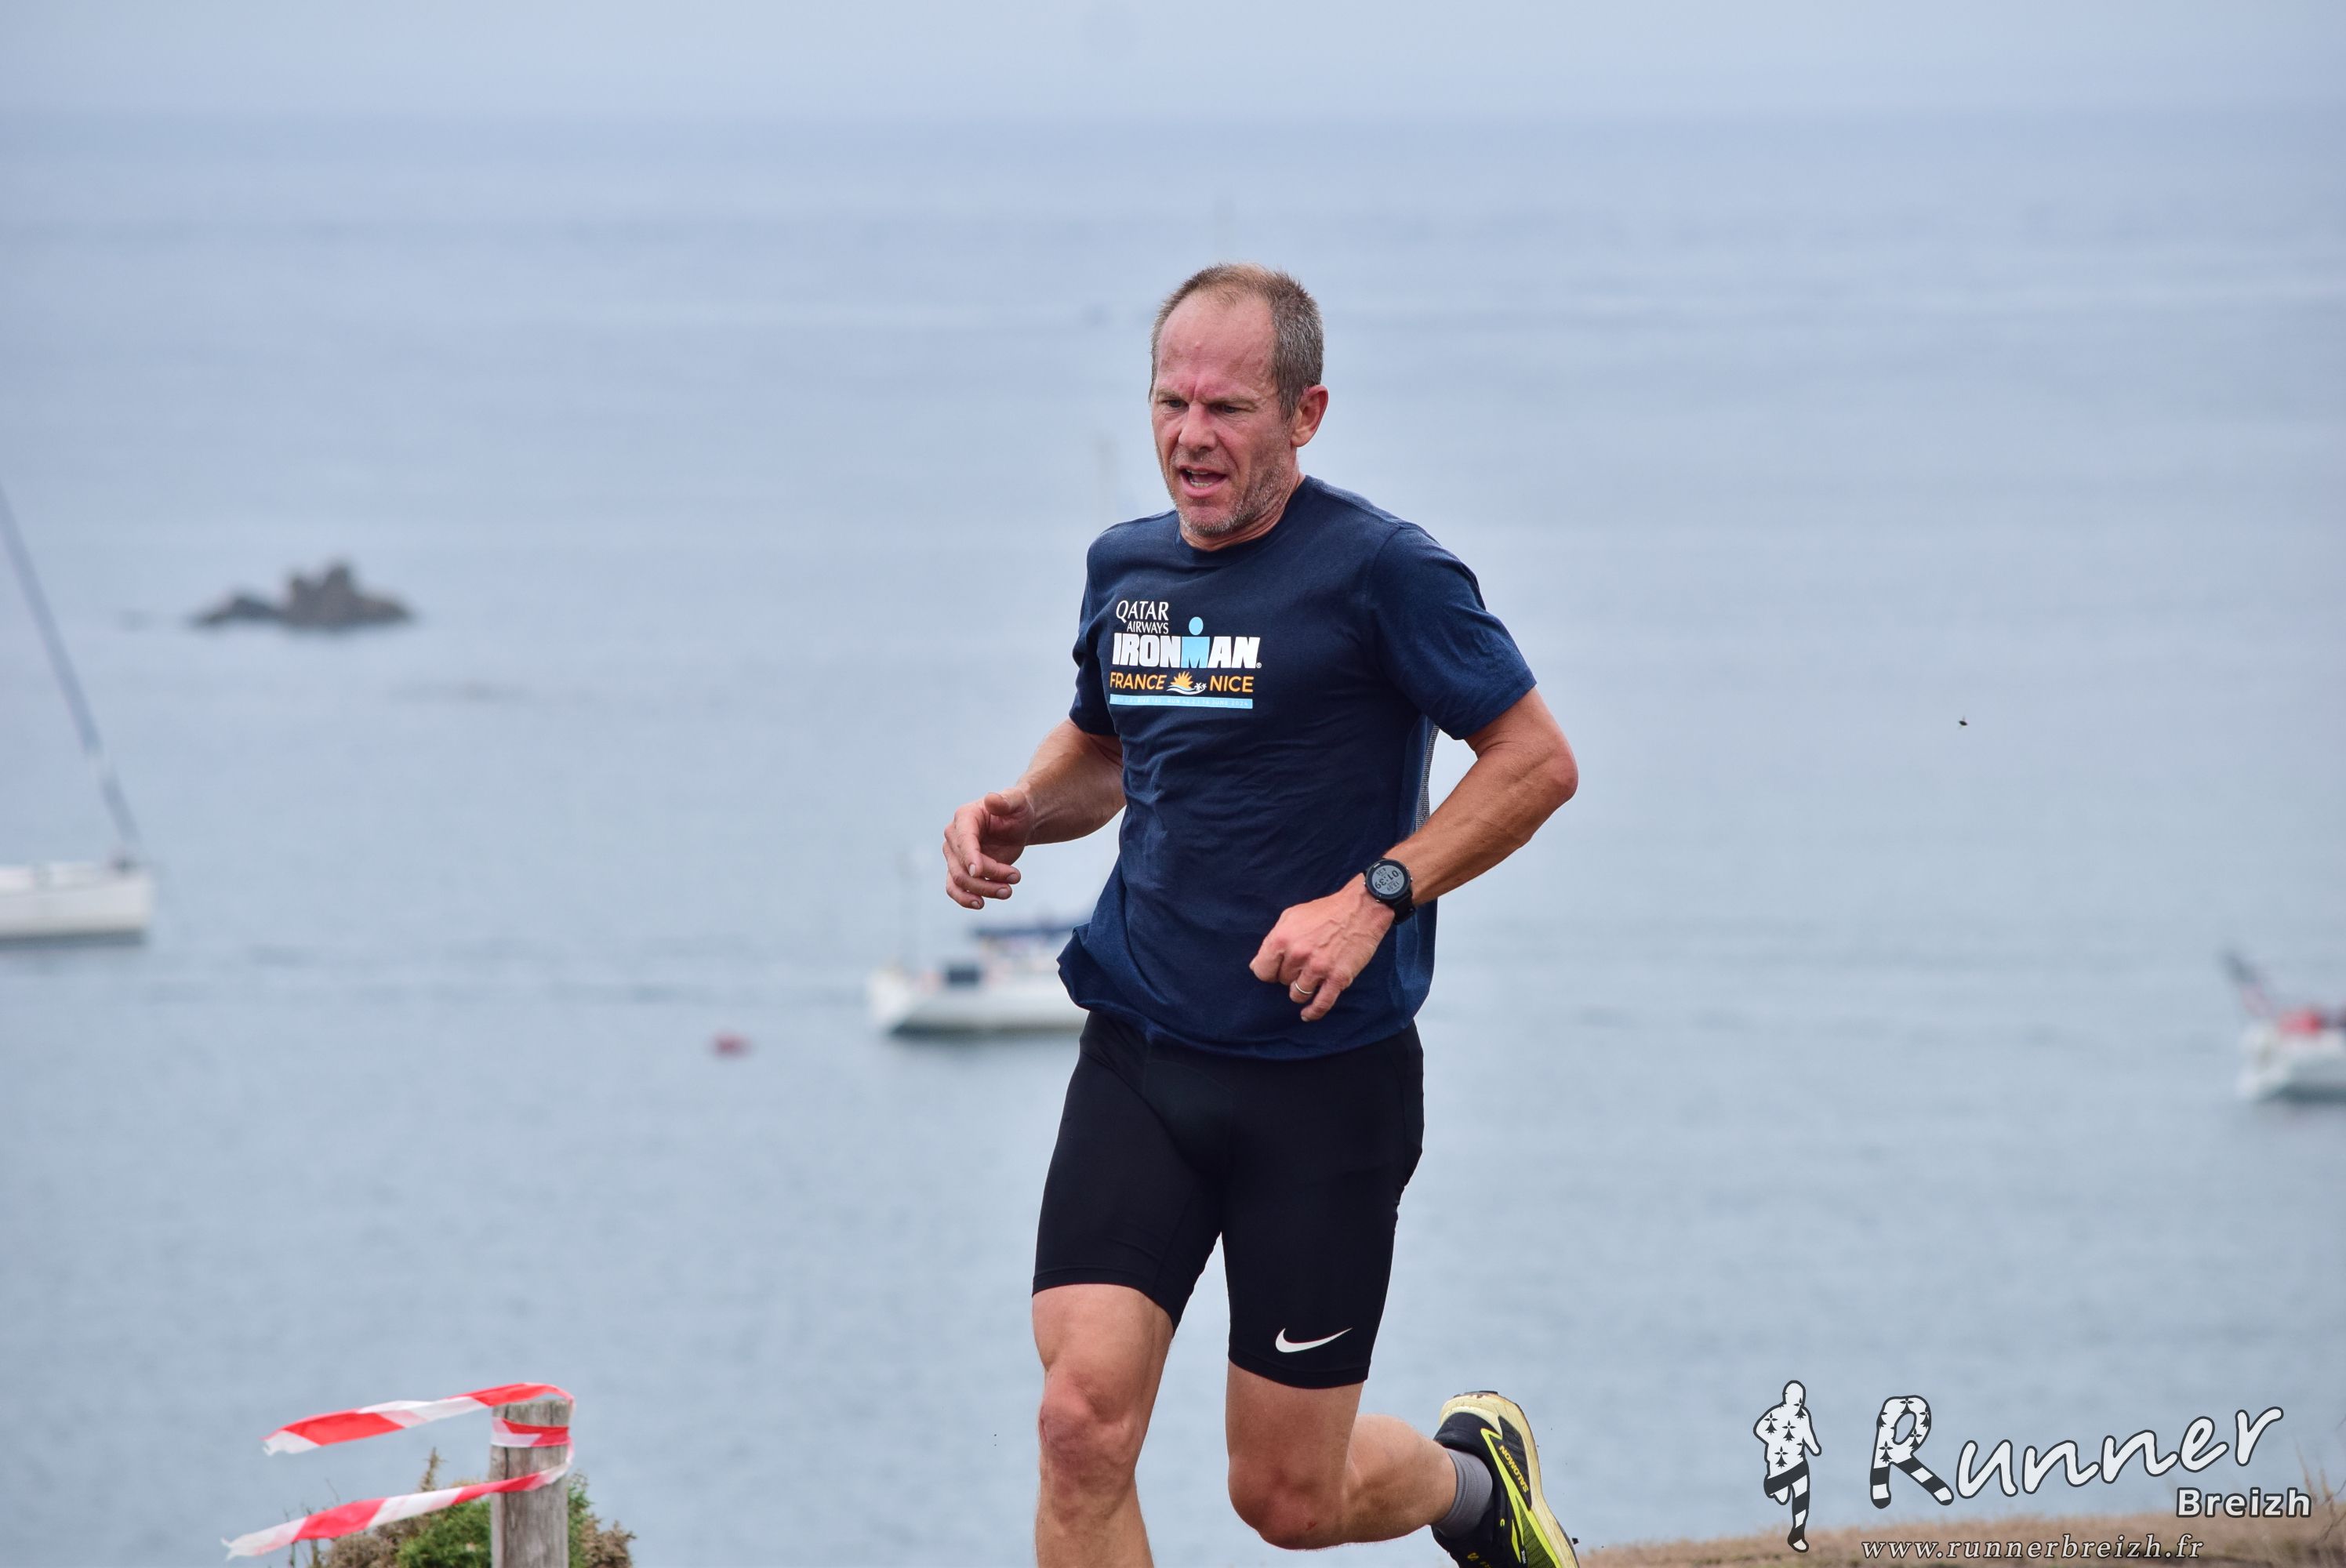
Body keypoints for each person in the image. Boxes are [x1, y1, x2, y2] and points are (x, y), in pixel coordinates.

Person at [942, 263, 1580, 1567]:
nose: (1192, 435)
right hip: (1142, 1054)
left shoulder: (1385, 571)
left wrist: (1375, 897)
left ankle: (1475, 1486)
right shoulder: (1125, 569)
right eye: (1170, 403)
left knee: (1289, 1502)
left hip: (1323, 1080)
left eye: (1228, 408)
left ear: (1306, 413)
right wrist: (1021, 808)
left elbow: (1534, 762)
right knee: (1078, 1428)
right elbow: (1108, 751)